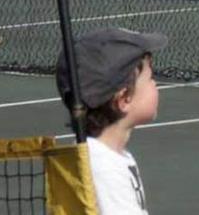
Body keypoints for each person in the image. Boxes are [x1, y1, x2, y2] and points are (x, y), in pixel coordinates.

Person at [55, 28, 166, 215]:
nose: (155, 83)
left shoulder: (110, 156)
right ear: (123, 99)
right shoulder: (102, 167)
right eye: (150, 78)